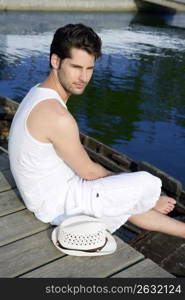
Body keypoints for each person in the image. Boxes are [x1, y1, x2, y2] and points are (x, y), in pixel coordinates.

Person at [8, 23, 185, 238]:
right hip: (56, 205)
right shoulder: (57, 116)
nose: (83, 77)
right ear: (56, 61)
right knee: (148, 183)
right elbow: (89, 172)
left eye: (89, 68)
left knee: (122, 197)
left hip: (49, 190)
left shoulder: (38, 92)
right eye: (76, 67)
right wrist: (129, 189)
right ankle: (145, 202)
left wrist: (122, 190)